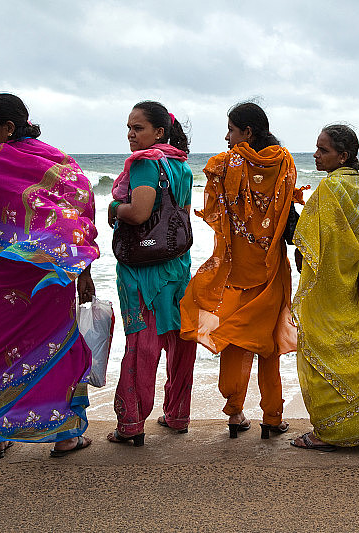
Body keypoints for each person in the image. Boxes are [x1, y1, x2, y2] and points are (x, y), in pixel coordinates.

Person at [0, 93, 99, 458]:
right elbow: (79, 223)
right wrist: (83, 273)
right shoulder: (62, 163)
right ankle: (64, 436)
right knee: (56, 348)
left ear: (7, 127)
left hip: (5, 282)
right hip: (49, 282)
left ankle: (3, 430)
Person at [180, 102, 302, 439]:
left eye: (231, 130)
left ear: (247, 132)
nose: (226, 137)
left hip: (234, 272)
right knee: (269, 344)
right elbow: (287, 214)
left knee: (234, 338)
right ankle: (272, 418)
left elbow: (213, 212)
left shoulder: (223, 165)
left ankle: (234, 415)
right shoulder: (285, 163)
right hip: (272, 268)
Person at [290, 125, 359, 451]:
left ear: (343, 155)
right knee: (352, 348)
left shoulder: (330, 189)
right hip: (352, 280)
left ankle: (332, 432)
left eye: (323, 150)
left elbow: (310, 242)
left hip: (326, 286)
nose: (315, 154)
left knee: (322, 350)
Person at [107, 101, 198, 446]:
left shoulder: (145, 164)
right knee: (179, 341)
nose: (131, 135)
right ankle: (177, 415)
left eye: (138, 128)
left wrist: (115, 207)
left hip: (144, 271)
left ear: (159, 132)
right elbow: (182, 218)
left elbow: (140, 212)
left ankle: (131, 423)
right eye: (128, 128)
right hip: (176, 265)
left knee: (142, 345)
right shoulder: (181, 165)